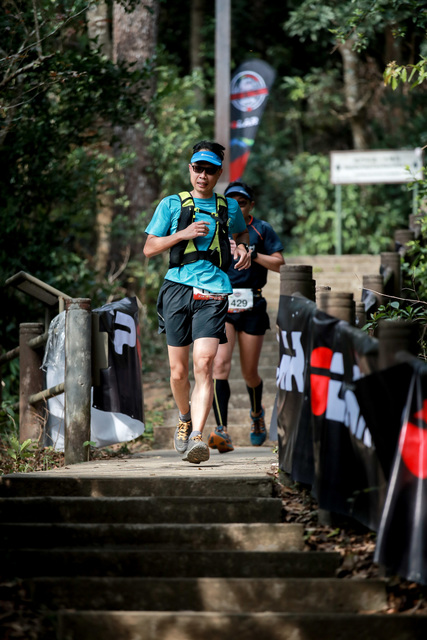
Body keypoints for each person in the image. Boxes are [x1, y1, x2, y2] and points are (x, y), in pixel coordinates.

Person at [143, 142, 251, 464]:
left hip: (214, 291)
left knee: (204, 364)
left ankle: (197, 438)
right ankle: (184, 417)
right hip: (177, 288)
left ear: (219, 173)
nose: (202, 175)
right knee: (178, 372)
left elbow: (242, 235)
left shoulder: (229, 207)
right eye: (197, 168)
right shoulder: (171, 204)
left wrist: (243, 249)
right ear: (190, 169)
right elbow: (149, 248)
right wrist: (183, 234)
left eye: (209, 170)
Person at [208, 180, 285, 453]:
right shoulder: (216, 227)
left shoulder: (261, 229)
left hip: (252, 304)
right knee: (220, 366)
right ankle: (221, 430)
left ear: (251, 205)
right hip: (222, 303)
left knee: (250, 372)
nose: (236, 207)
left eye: (242, 203)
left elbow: (280, 264)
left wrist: (253, 255)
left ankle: (256, 414)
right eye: (232, 202)